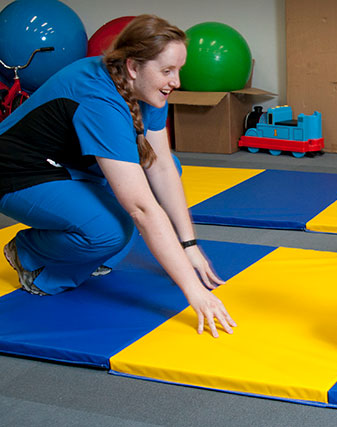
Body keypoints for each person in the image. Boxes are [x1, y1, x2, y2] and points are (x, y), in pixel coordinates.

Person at [0, 15, 235, 338]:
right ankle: (31, 255)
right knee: (111, 231)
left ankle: (82, 247)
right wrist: (194, 292)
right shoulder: (100, 100)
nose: (176, 81)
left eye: (178, 70)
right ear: (133, 67)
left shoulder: (146, 88)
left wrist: (188, 243)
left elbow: (163, 166)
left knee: (162, 178)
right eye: (167, 71)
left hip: (70, 164)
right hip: (19, 170)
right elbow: (142, 210)